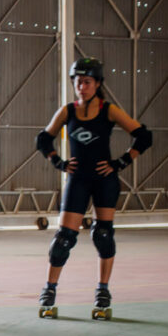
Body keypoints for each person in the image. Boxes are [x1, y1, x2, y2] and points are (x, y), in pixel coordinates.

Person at [35, 58, 151, 319]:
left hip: (103, 180)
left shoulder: (109, 110)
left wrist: (121, 162)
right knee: (63, 239)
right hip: (78, 179)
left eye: (87, 82)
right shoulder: (68, 111)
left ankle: (102, 291)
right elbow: (43, 139)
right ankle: (49, 289)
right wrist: (58, 162)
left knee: (103, 236)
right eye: (78, 82)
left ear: (97, 84)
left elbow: (144, 136)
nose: (82, 87)